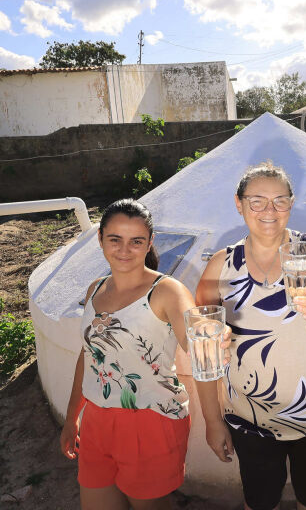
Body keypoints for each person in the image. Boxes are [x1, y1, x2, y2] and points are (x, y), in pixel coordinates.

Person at [195, 161, 306, 510]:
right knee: (259, 503)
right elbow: (202, 349)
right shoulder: (221, 265)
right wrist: (213, 421)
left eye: (280, 200)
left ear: (291, 204)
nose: (270, 210)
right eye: (257, 200)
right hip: (249, 420)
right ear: (239, 203)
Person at [59, 199, 230, 510]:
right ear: (100, 240)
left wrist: (213, 422)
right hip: (97, 419)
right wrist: (72, 418)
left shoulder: (167, 292)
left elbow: (201, 352)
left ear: (150, 242)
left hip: (151, 420)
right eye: (115, 239)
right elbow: (89, 356)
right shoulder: (95, 289)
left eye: (136, 241)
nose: (125, 250)